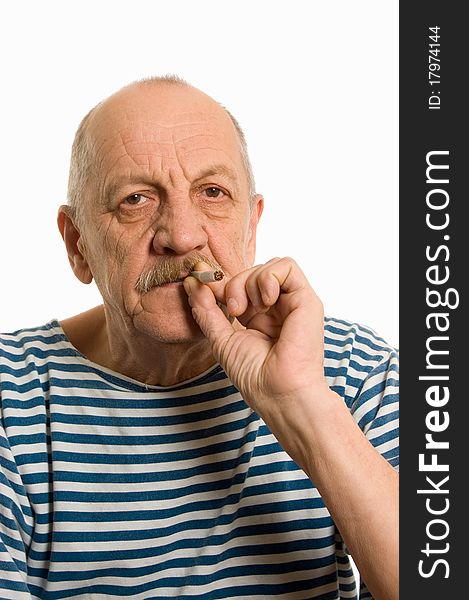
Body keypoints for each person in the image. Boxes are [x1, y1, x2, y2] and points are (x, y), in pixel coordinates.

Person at [0, 76, 399, 600]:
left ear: (251, 227)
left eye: (212, 193)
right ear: (78, 245)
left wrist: (305, 408)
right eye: (135, 200)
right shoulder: (12, 399)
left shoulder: (353, 369)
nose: (182, 236)